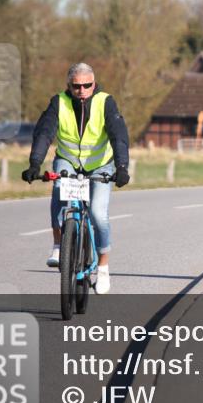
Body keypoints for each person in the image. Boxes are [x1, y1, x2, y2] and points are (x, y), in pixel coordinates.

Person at [21, 63, 130, 293]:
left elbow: (118, 135)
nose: (81, 90)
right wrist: (35, 163)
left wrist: (121, 167)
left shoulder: (105, 102)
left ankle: (102, 267)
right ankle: (59, 245)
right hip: (68, 161)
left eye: (87, 85)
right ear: (69, 85)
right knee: (60, 194)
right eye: (76, 86)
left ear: (94, 83)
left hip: (101, 164)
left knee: (98, 214)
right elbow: (44, 133)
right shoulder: (58, 102)